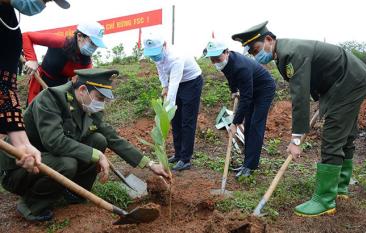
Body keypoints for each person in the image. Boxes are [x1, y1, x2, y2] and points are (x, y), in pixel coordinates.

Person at [232, 21, 366, 216]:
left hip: (347, 82)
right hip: (342, 81)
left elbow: (300, 96)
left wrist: (295, 140)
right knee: (344, 135)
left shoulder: (291, 54)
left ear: (269, 40)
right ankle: (339, 188)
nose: (255, 56)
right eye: (251, 53)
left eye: (255, 50)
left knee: (333, 135)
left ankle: (324, 199)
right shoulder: (282, 54)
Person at [0, 68, 170, 221]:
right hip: (21, 168)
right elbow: (54, 142)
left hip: (49, 159)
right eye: (100, 98)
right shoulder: (50, 99)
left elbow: (112, 138)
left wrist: (150, 164)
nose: (101, 104)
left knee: (99, 140)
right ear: (82, 90)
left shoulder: (87, 106)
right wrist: (97, 155)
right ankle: (31, 204)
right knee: (69, 163)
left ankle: (74, 192)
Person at [0, 0, 70, 177]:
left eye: (47, 1)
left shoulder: (10, 28)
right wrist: (31, 57)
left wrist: (21, 142)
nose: (41, 4)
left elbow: (5, 86)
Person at [204, 40, 275, 179]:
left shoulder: (240, 67)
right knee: (248, 125)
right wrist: (234, 90)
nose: (215, 62)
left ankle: (250, 166)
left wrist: (235, 123)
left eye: (217, 58)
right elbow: (229, 75)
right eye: (212, 60)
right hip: (250, 88)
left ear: (226, 52)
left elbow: (246, 98)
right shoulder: (226, 63)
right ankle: (247, 163)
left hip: (264, 89)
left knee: (255, 125)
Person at [143, 33, 203, 171]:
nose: (154, 57)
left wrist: (166, 109)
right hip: (177, 82)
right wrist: (164, 86)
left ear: (164, 45)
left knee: (187, 121)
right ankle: (177, 154)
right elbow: (161, 70)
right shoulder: (157, 56)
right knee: (175, 120)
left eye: (155, 53)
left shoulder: (176, 58)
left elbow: (174, 84)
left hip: (191, 82)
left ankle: (185, 159)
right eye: (151, 54)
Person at [23, 20, 106, 104]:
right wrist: (31, 59)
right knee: (34, 112)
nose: (94, 47)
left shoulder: (86, 63)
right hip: (40, 82)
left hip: (61, 90)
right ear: (79, 36)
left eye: (96, 45)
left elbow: (86, 84)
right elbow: (26, 36)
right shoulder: (60, 42)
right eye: (92, 43)